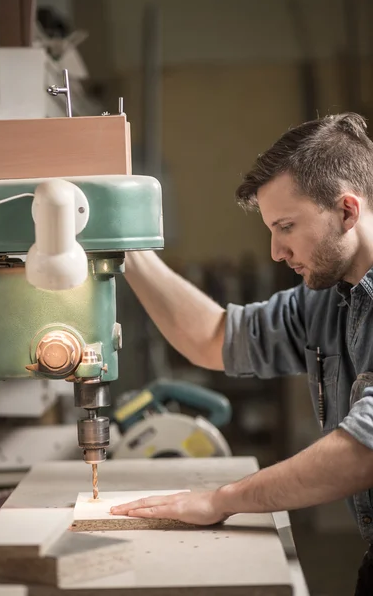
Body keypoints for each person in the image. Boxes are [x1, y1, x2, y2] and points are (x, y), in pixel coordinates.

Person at [110, 112, 373, 594]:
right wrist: (122, 248)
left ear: (348, 212)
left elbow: (363, 451)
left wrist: (221, 500)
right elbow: (215, 337)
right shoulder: (326, 298)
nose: (275, 251)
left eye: (287, 227)